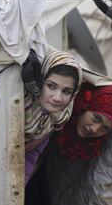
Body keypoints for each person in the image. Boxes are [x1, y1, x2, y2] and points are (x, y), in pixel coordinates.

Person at [24, 49, 82, 185]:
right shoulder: (19, 104)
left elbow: (31, 160)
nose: (57, 98)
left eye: (66, 91)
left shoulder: (59, 117)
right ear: (40, 80)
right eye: (51, 86)